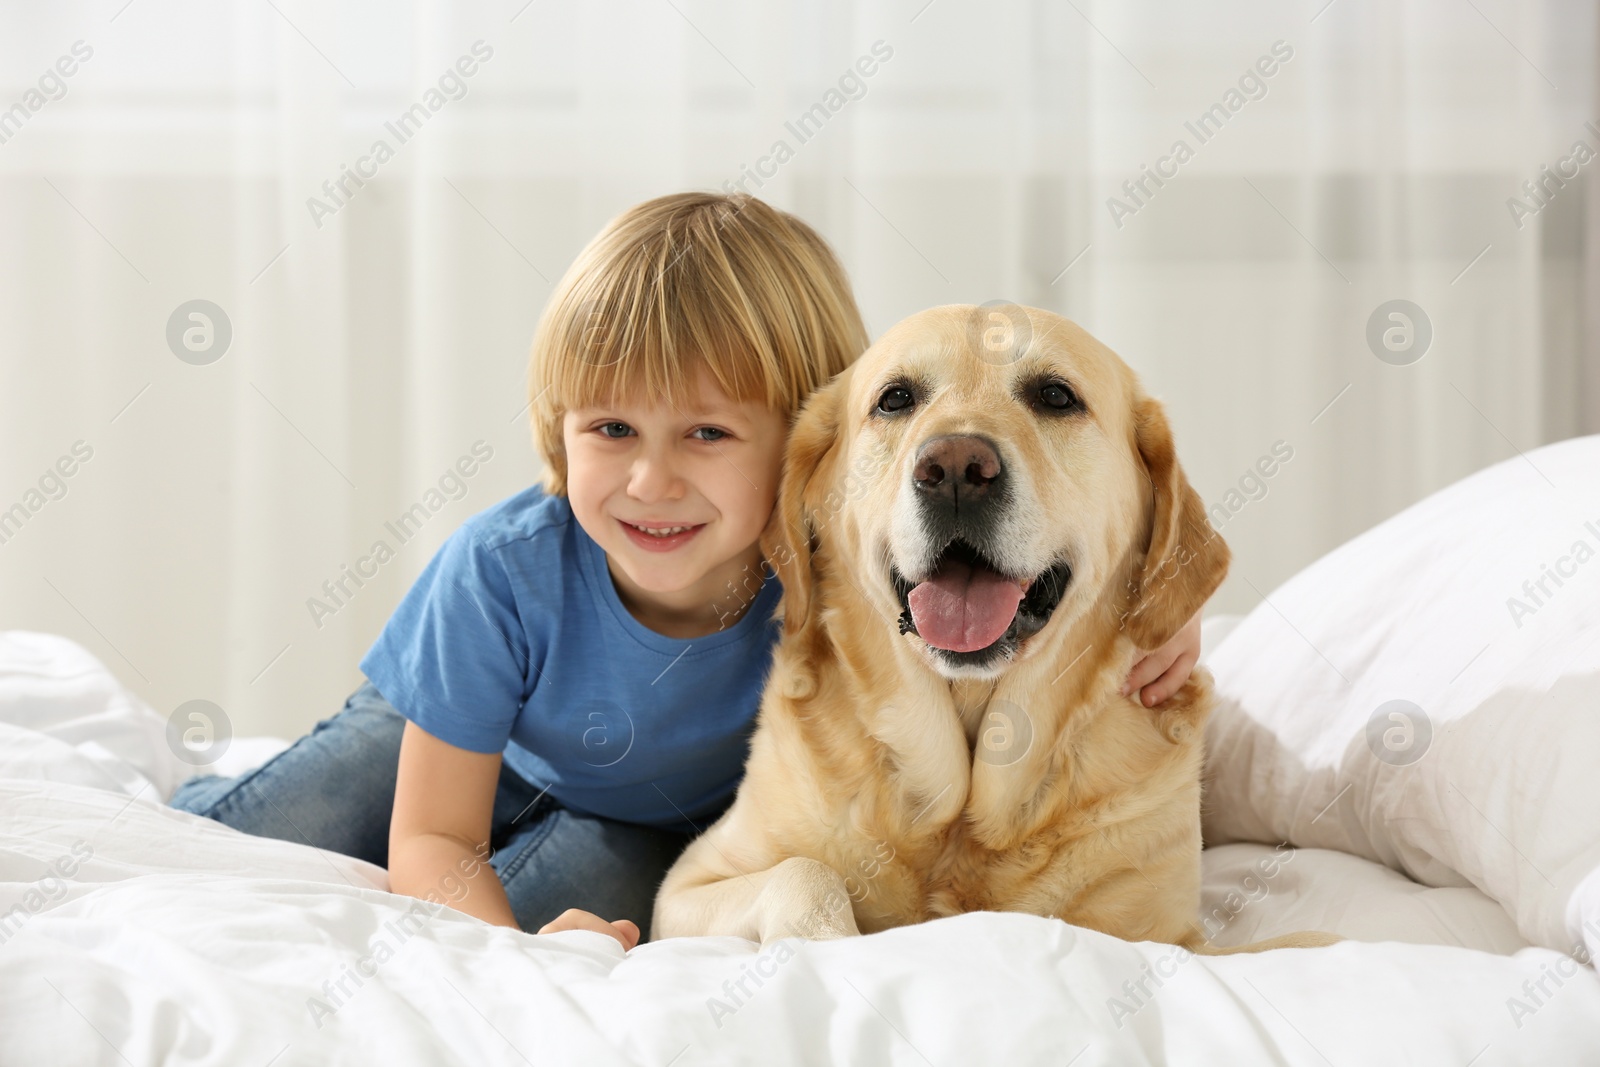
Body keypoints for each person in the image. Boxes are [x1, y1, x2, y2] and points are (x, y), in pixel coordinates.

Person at [170, 191, 1204, 952]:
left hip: (632, 813)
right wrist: (506, 965)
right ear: (558, 434)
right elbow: (435, 831)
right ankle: (183, 799)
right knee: (266, 836)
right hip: (440, 734)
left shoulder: (833, 578)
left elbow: (1030, 596)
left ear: (809, 455)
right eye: (610, 427)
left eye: (707, 432)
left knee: (596, 892)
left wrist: (1161, 615)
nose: (650, 479)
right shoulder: (500, 573)